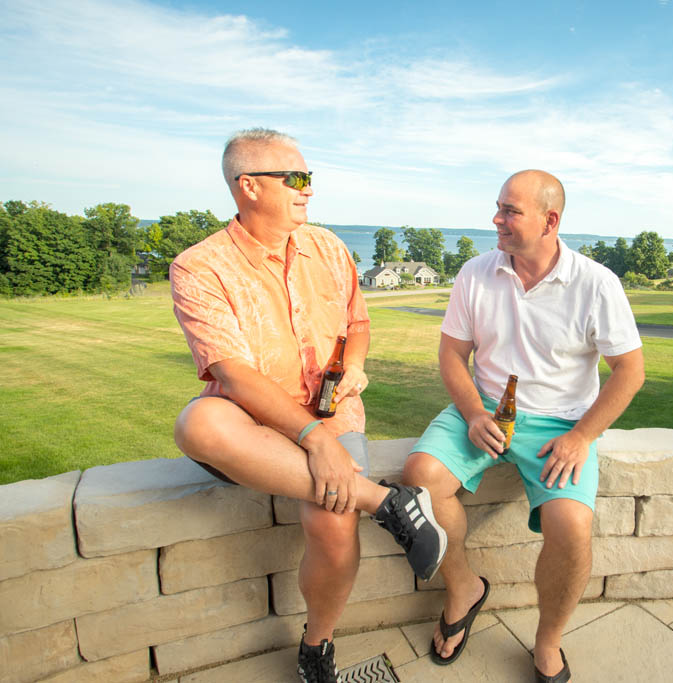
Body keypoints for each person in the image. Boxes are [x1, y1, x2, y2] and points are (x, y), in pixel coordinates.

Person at [170, 128, 446, 683]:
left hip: (334, 413)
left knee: (334, 523)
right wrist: (314, 441)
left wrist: (358, 367)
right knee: (198, 422)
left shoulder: (329, 247)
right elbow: (233, 374)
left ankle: (315, 646)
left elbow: (358, 325)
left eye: (309, 179)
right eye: (295, 179)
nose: (308, 191)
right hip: (253, 421)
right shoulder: (199, 267)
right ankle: (387, 503)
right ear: (248, 187)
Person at [403, 170, 645, 682]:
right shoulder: (476, 272)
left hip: (559, 425)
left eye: (510, 211)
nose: (496, 219)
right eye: (498, 207)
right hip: (484, 409)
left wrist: (582, 436)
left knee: (572, 527)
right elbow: (452, 354)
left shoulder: (596, 284)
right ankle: (464, 589)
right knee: (421, 476)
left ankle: (547, 641)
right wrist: (471, 412)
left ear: (550, 221)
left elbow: (631, 371)